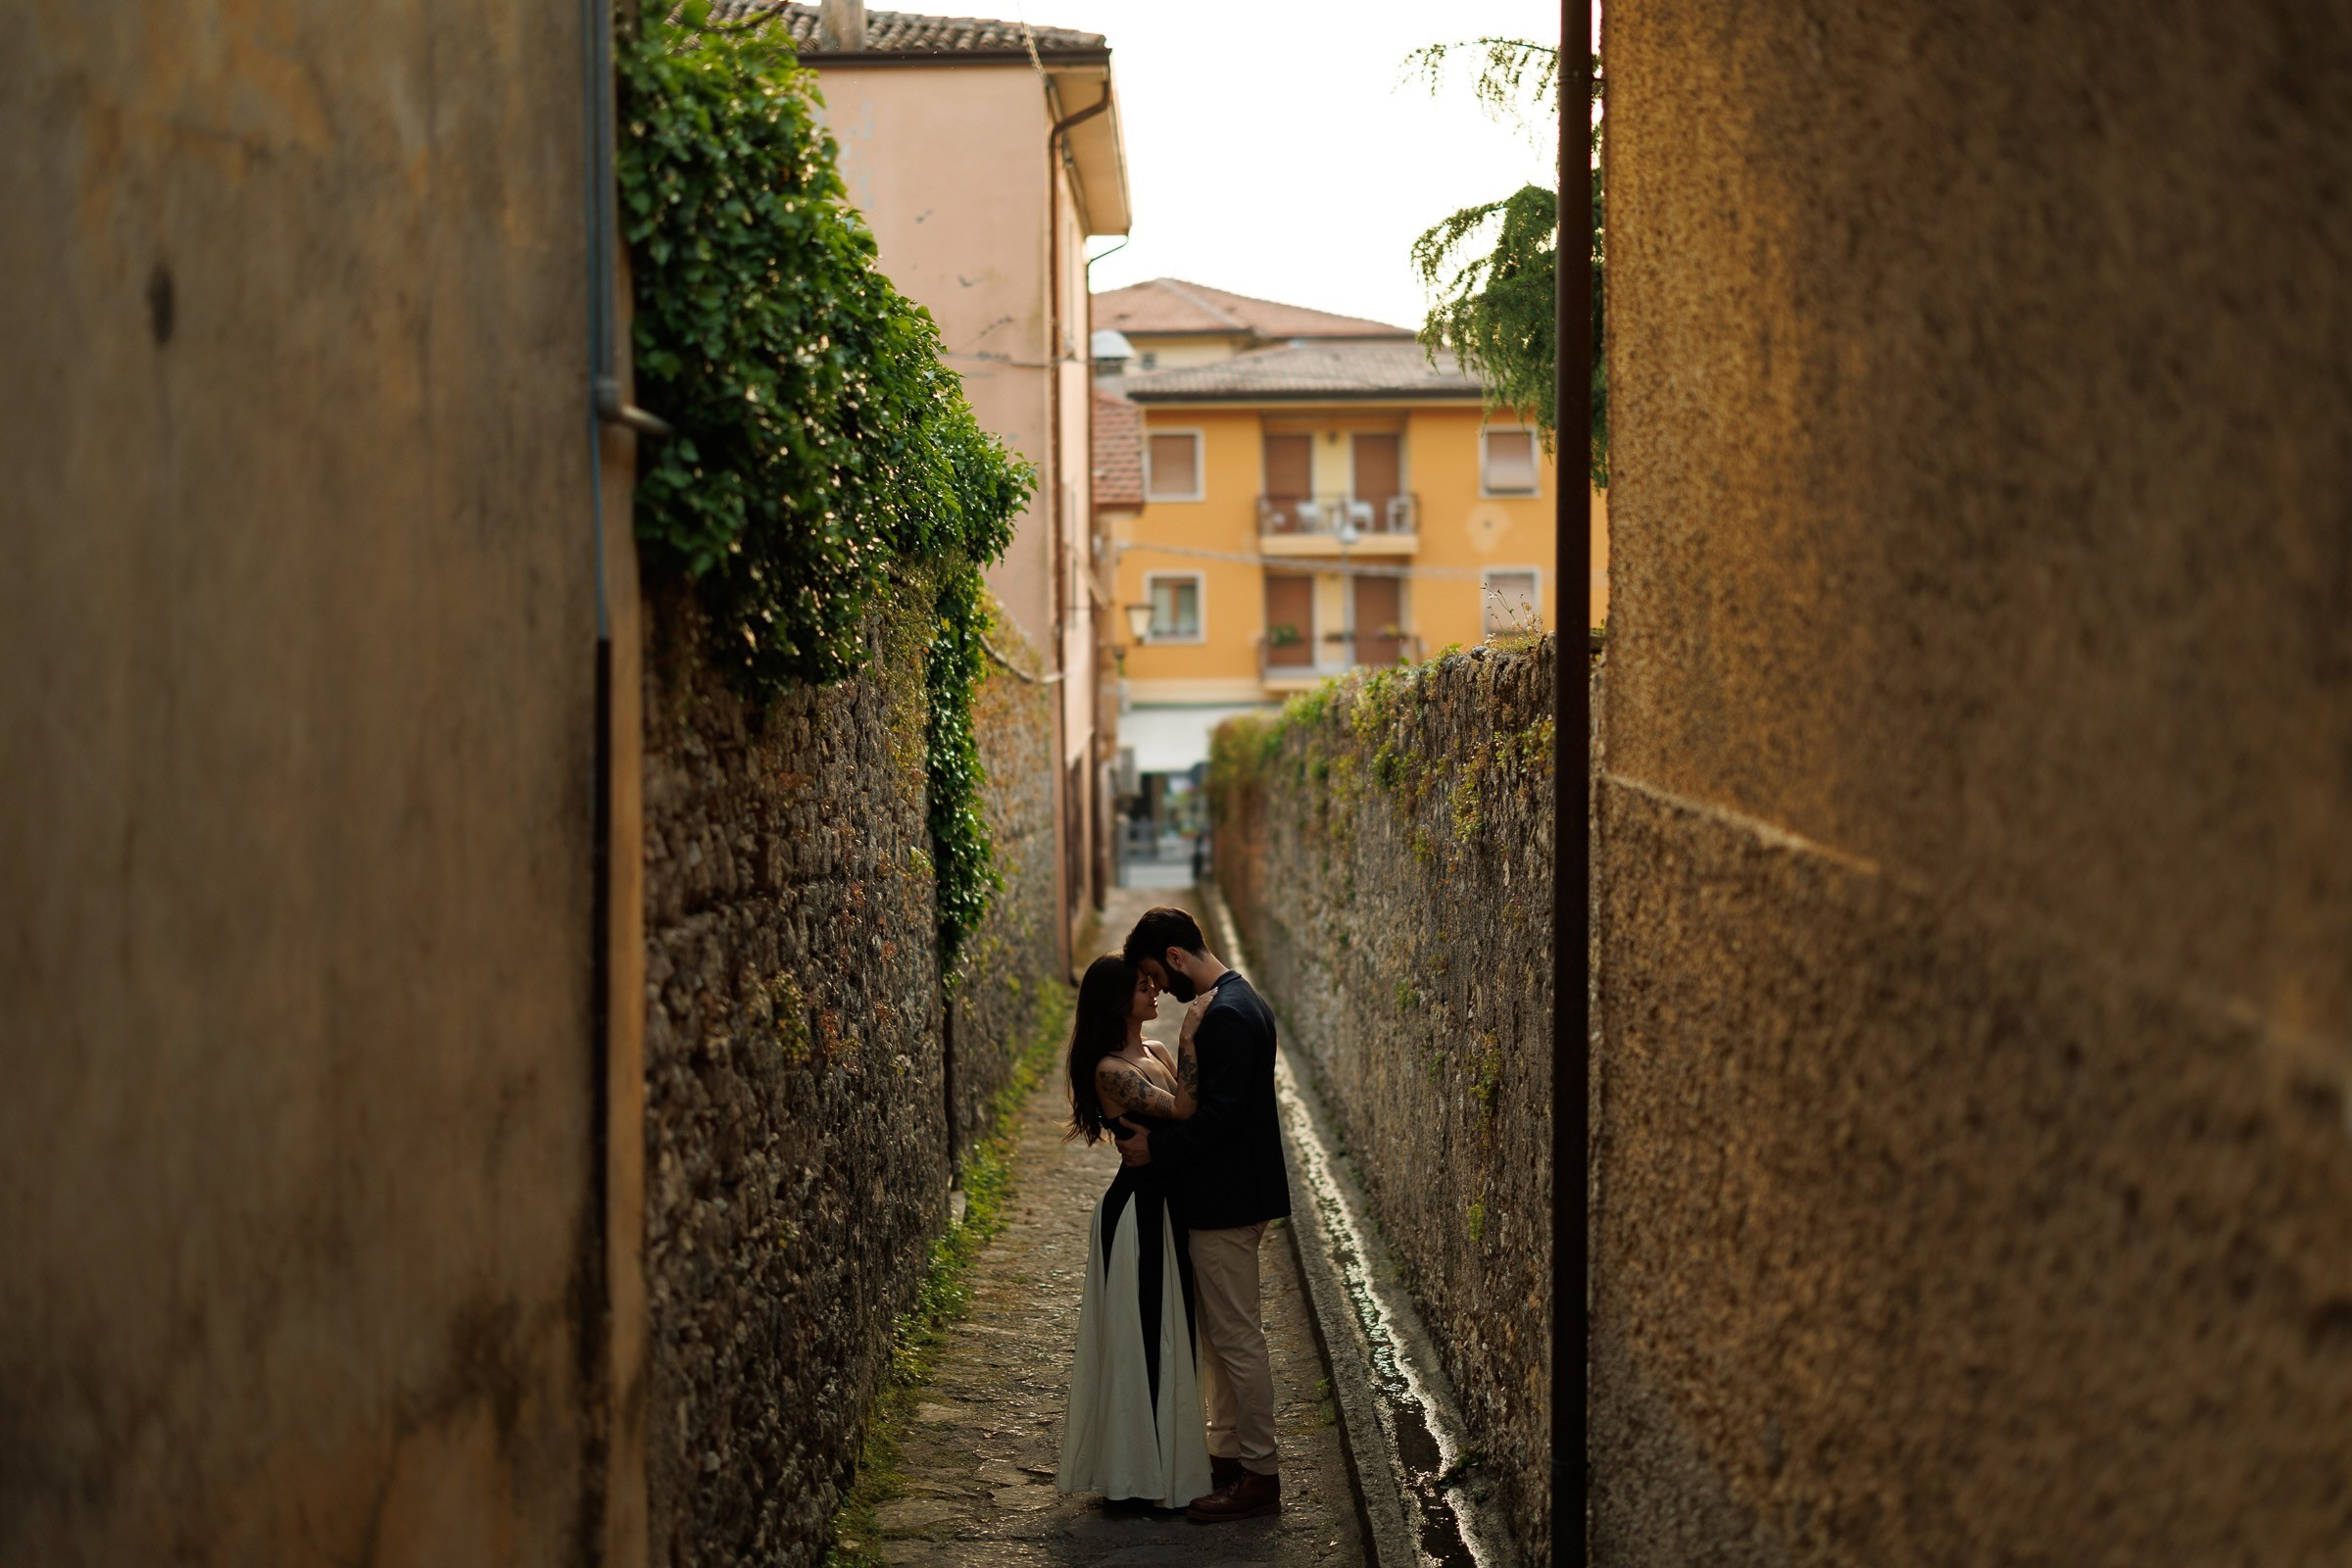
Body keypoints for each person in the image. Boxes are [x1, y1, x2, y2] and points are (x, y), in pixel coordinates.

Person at [1116, 906, 1291, 1523]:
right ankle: (1228, 1456)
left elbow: (1220, 1120)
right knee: (1220, 1340)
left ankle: (1260, 1474)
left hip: (1227, 1200)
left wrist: (1153, 1148)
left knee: (1238, 1340)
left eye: (1155, 976)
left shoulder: (1226, 1016)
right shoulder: (1238, 1001)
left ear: (1174, 957)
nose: (1158, 990)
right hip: (1230, 1196)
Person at [1055, 954, 1215, 1510]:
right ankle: (1137, 1474)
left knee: (1174, 1329)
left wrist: (1181, 1054)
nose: (1154, 992)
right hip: (1135, 1214)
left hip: (1167, 1205)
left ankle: (1166, 1463)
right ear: (1117, 1000)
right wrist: (1192, 1042)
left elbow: (1191, 1115)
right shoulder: (1109, 1070)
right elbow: (1183, 1111)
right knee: (1141, 1336)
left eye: (1153, 983)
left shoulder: (1154, 1052)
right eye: (1143, 987)